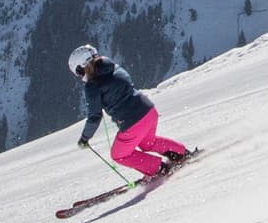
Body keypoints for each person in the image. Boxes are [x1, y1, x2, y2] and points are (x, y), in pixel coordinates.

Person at [69, 42, 190, 180]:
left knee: (119, 155)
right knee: (147, 143)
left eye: (78, 72)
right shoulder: (114, 67)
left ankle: (159, 169)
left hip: (132, 122)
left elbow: (94, 116)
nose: (80, 76)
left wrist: (85, 138)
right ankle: (182, 154)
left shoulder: (92, 86)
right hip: (148, 110)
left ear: (82, 67)